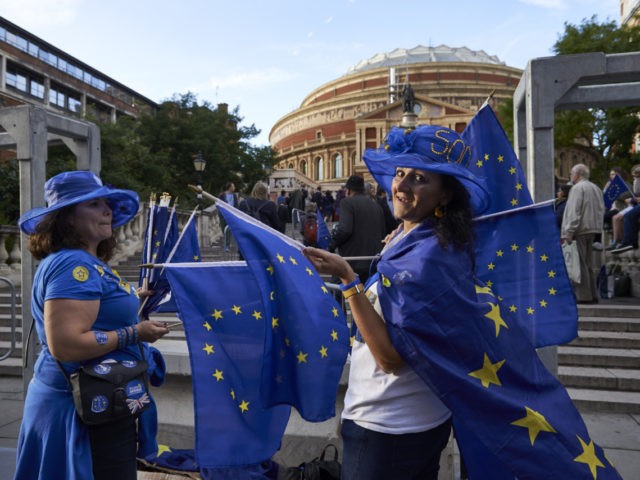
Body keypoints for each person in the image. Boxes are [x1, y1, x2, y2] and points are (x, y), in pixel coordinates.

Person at [303, 126, 490, 479]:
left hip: (387, 425)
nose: (401, 186)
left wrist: (347, 279)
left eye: (419, 179)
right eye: (400, 173)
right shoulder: (425, 242)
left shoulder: (427, 259)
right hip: (416, 417)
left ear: (446, 196)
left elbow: (389, 357)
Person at [14, 170, 171, 480]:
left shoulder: (83, 262)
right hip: (83, 408)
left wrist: (132, 295)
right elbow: (67, 344)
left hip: (94, 400)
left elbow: (93, 306)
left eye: (107, 204)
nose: (107, 211)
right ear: (68, 218)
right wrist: (135, 333)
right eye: (94, 204)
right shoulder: (75, 265)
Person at [561, 163, 605, 304]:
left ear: (578, 174)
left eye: (572, 173)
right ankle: (593, 294)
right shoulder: (596, 188)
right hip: (593, 229)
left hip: (580, 229)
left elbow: (575, 211)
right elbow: (601, 209)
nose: (570, 175)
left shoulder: (577, 189)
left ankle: (584, 296)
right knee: (588, 263)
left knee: (580, 264)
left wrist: (569, 231)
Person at [330, 175, 386, 282]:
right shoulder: (376, 206)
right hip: (372, 262)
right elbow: (382, 233)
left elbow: (345, 230)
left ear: (349, 190)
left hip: (352, 261)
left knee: (338, 293)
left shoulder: (347, 202)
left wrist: (331, 245)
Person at [218, 182, 239, 252]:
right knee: (224, 230)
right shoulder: (222, 195)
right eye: (233, 186)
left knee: (229, 229)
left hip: (231, 215)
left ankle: (227, 245)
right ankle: (226, 244)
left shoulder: (235, 196)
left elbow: (236, 205)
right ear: (229, 187)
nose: (234, 188)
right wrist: (220, 214)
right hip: (223, 215)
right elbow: (218, 204)